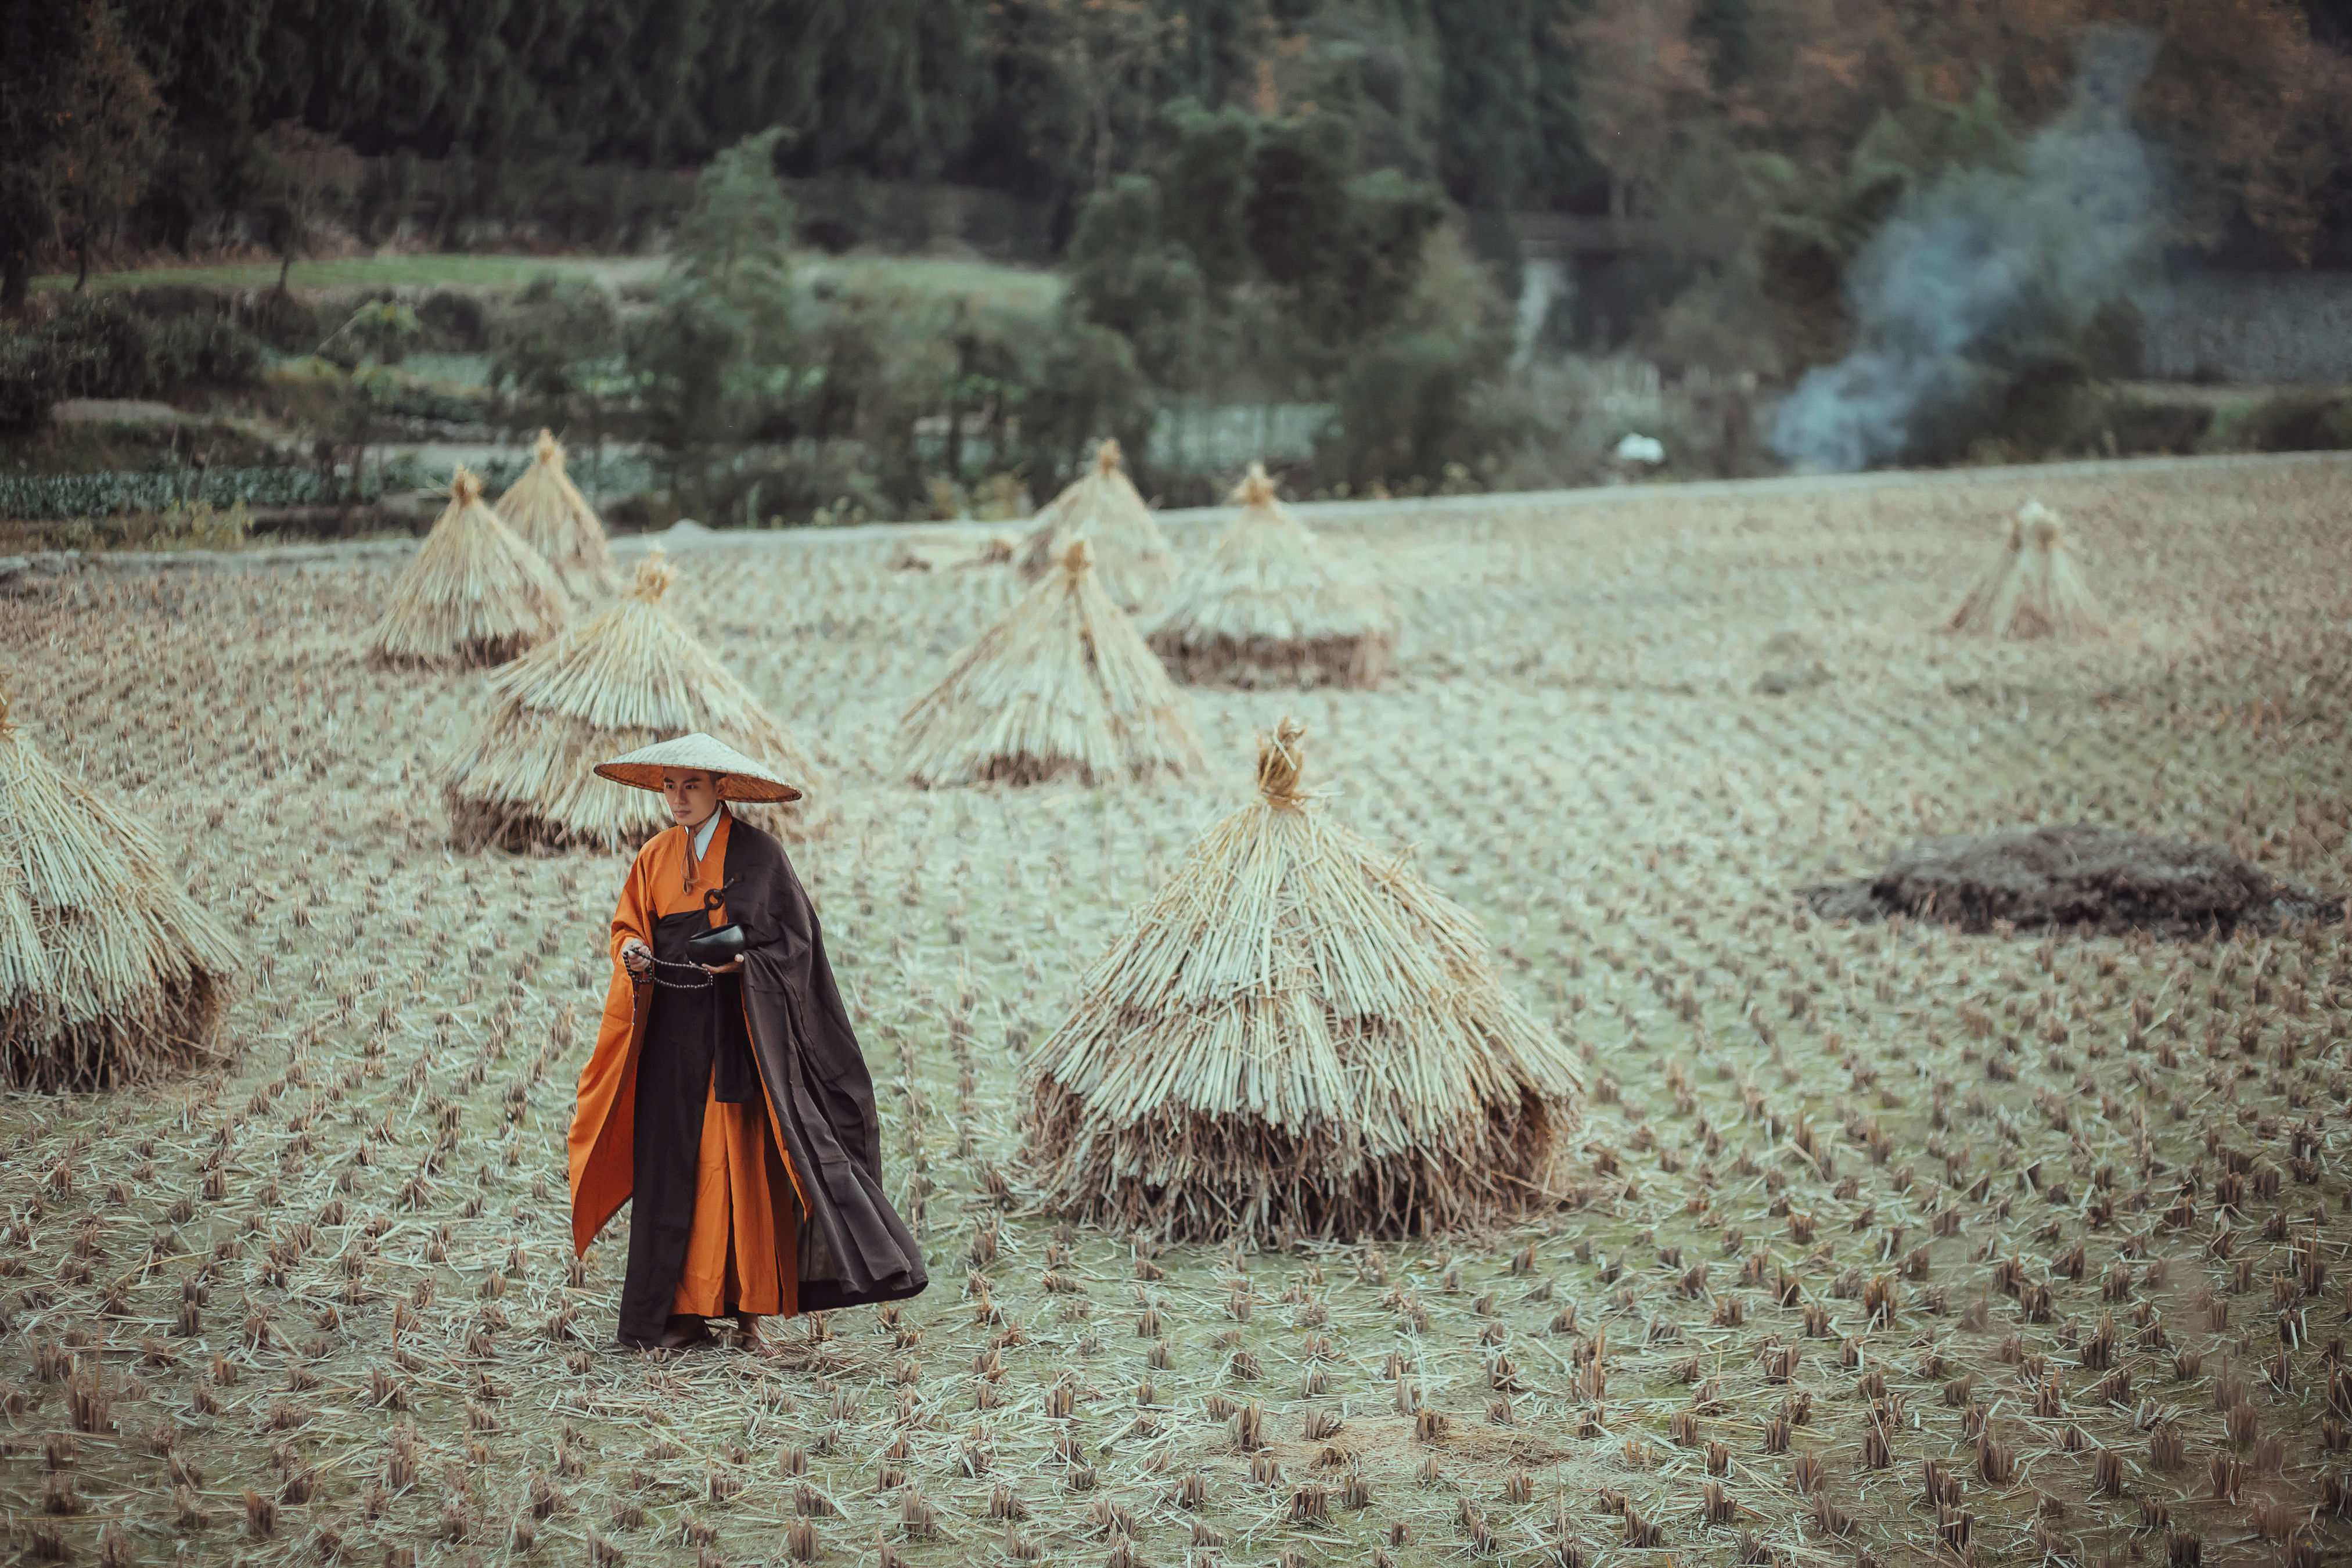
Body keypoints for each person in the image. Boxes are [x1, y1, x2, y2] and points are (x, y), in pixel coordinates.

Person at [566, 733, 926, 1350]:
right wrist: (631, 950)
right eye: (670, 787)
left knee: (741, 1171)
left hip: (743, 1033)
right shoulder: (653, 857)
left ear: (721, 788)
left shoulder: (761, 857)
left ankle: (747, 1315)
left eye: (693, 786)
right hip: (671, 1040)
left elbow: (797, 945)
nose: (679, 799)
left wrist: (748, 967)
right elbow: (628, 923)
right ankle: (678, 1315)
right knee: (674, 1169)